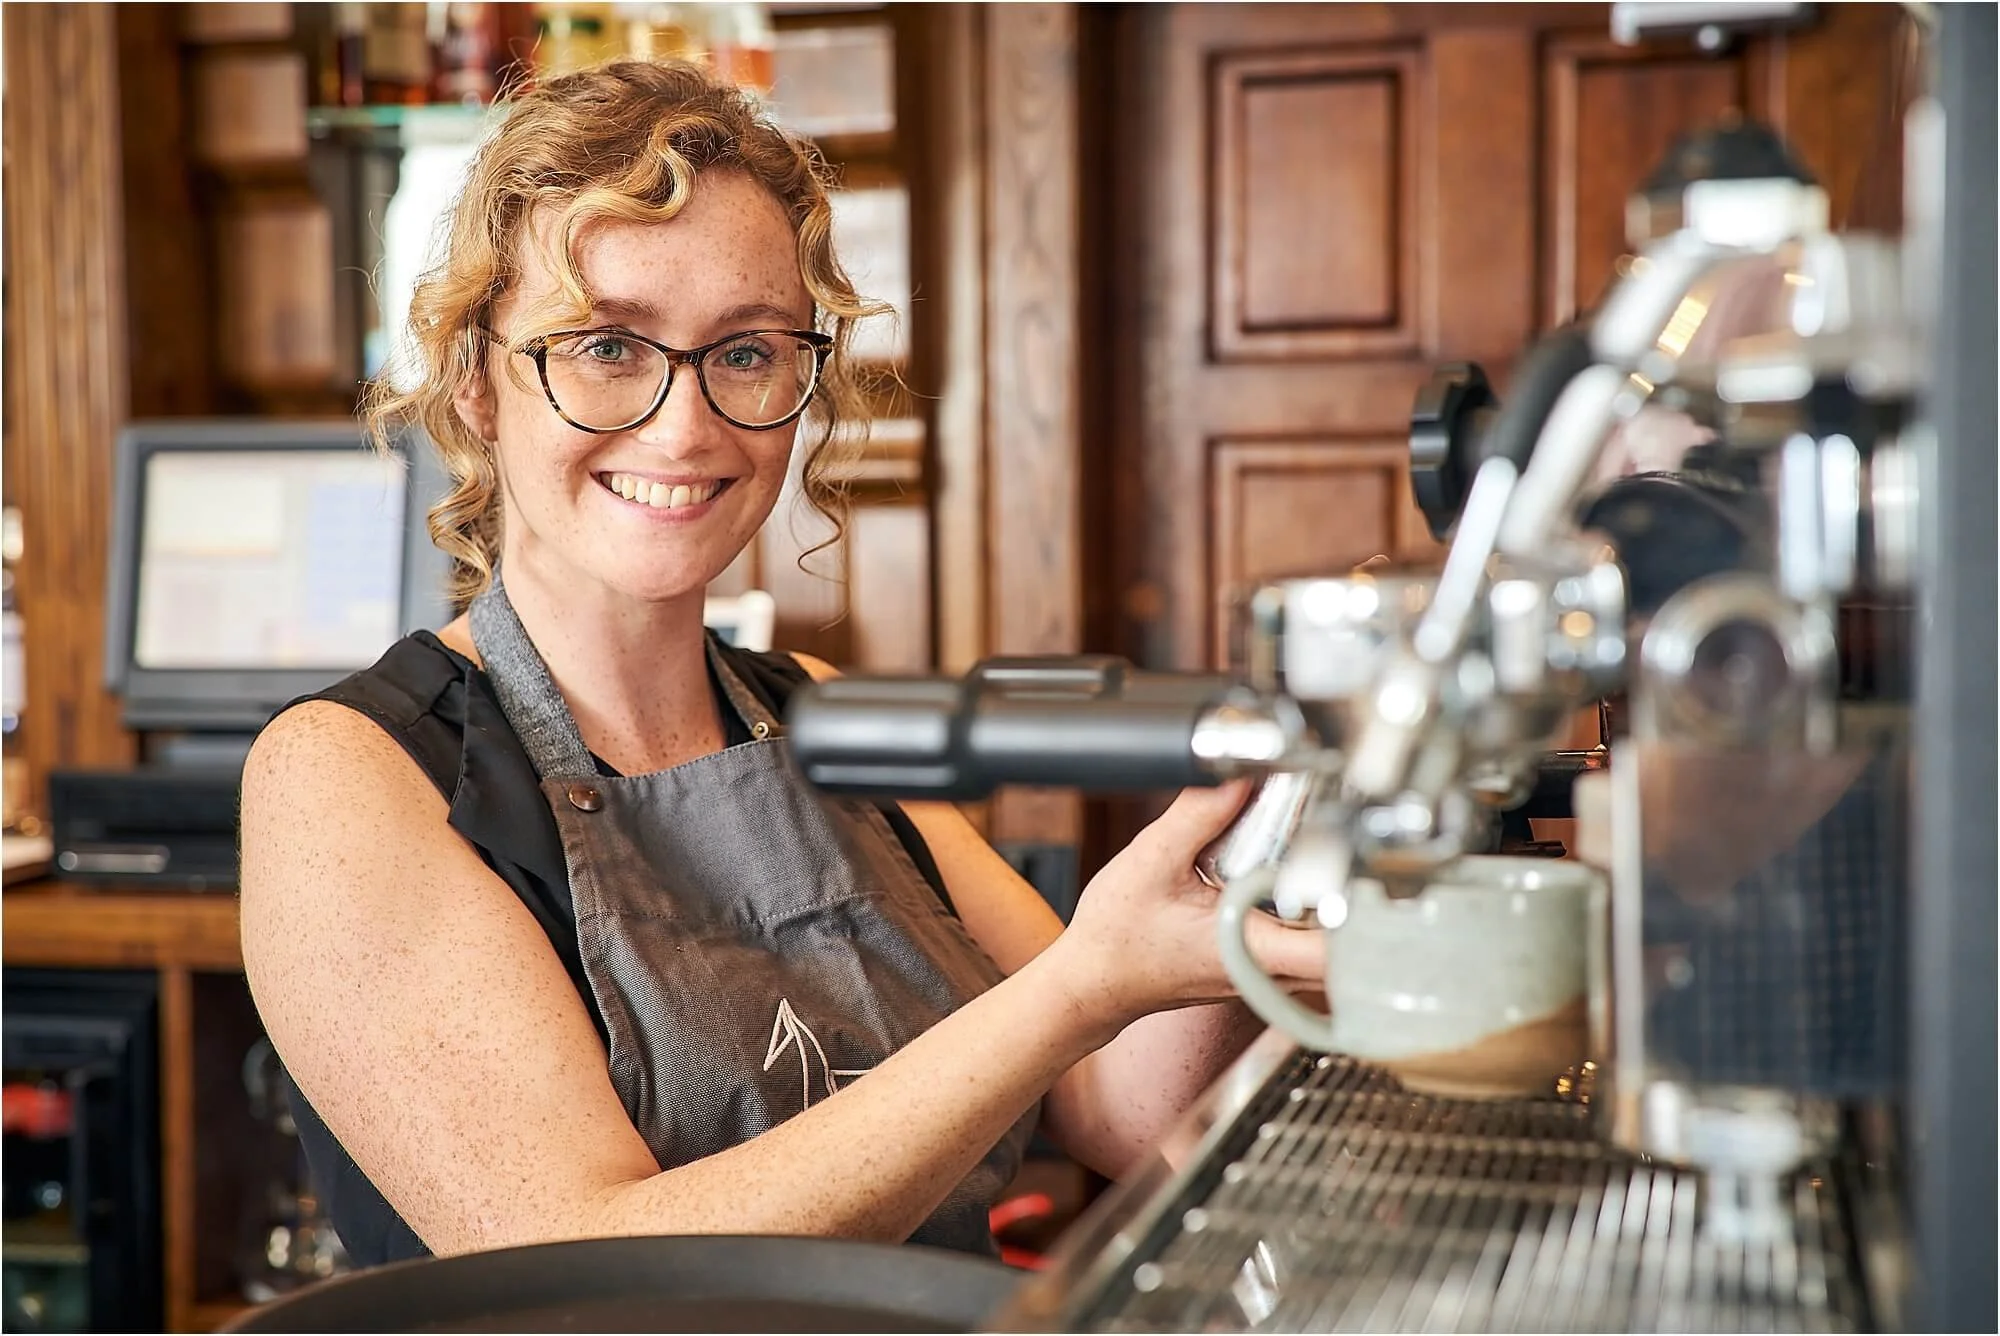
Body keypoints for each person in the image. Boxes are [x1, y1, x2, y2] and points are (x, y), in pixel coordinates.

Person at [237, 58, 1323, 1267]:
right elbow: (580, 1267)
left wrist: (1263, 834)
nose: (685, 424)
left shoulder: (817, 717)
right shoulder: (347, 773)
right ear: (477, 383)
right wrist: (1075, 992)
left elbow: (1125, 1108)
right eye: (606, 345)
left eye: (746, 352)